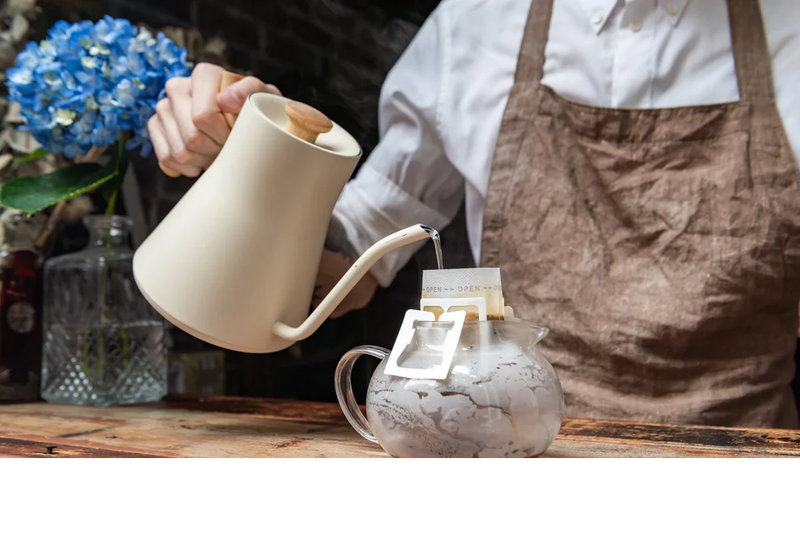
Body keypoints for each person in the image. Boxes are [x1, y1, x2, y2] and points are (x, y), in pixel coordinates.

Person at [149, 0, 800, 429]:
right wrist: (261, 155)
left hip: (747, 464)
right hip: (516, 459)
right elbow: (339, 271)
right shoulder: (479, 21)